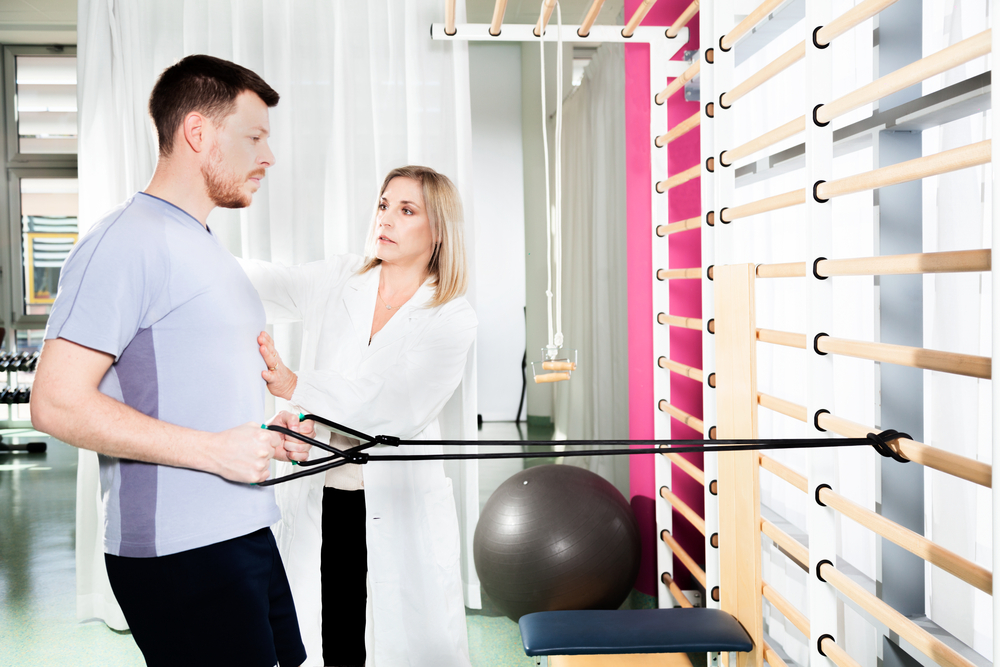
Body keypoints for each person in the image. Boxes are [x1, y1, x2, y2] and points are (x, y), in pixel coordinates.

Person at [30, 55, 311, 667]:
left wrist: (269, 434)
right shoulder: (125, 243)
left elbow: (188, 392)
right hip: (179, 554)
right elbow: (55, 403)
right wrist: (214, 451)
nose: (269, 157)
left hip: (245, 530)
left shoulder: (206, 245)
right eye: (255, 137)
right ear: (197, 133)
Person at [241, 165, 477, 667]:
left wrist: (296, 386)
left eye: (406, 210)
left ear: (438, 232)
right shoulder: (340, 277)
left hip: (398, 504)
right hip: (326, 498)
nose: (385, 219)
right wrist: (189, 250)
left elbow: (391, 408)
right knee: (333, 640)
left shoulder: (452, 316)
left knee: (403, 644)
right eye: (384, 205)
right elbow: (260, 283)